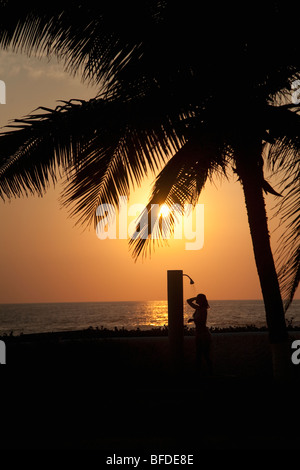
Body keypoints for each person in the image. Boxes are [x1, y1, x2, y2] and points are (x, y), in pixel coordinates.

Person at [187, 294, 213, 375]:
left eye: (198, 298)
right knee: (199, 354)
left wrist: (193, 319)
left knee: (204, 354)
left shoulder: (203, 309)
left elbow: (202, 322)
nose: (196, 300)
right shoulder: (198, 308)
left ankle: (210, 371)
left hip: (204, 335)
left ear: (201, 300)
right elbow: (188, 301)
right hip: (199, 333)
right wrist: (196, 297)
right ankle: (199, 372)